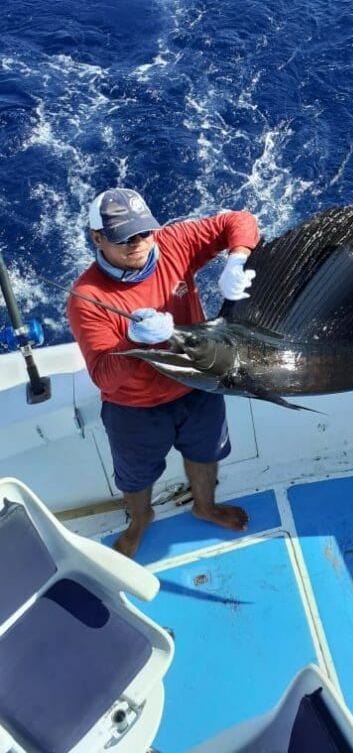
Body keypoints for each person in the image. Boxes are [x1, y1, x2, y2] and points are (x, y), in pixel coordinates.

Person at [67, 187, 260, 559]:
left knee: (205, 454)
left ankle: (205, 506)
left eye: (143, 232)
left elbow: (241, 220)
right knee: (135, 479)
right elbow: (104, 376)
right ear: (97, 238)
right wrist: (134, 342)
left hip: (198, 385)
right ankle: (140, 520)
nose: (137, 244)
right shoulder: (86, 297)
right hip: (135, 407)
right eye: (123, 238)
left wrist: (236, 260)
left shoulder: (173, 242)